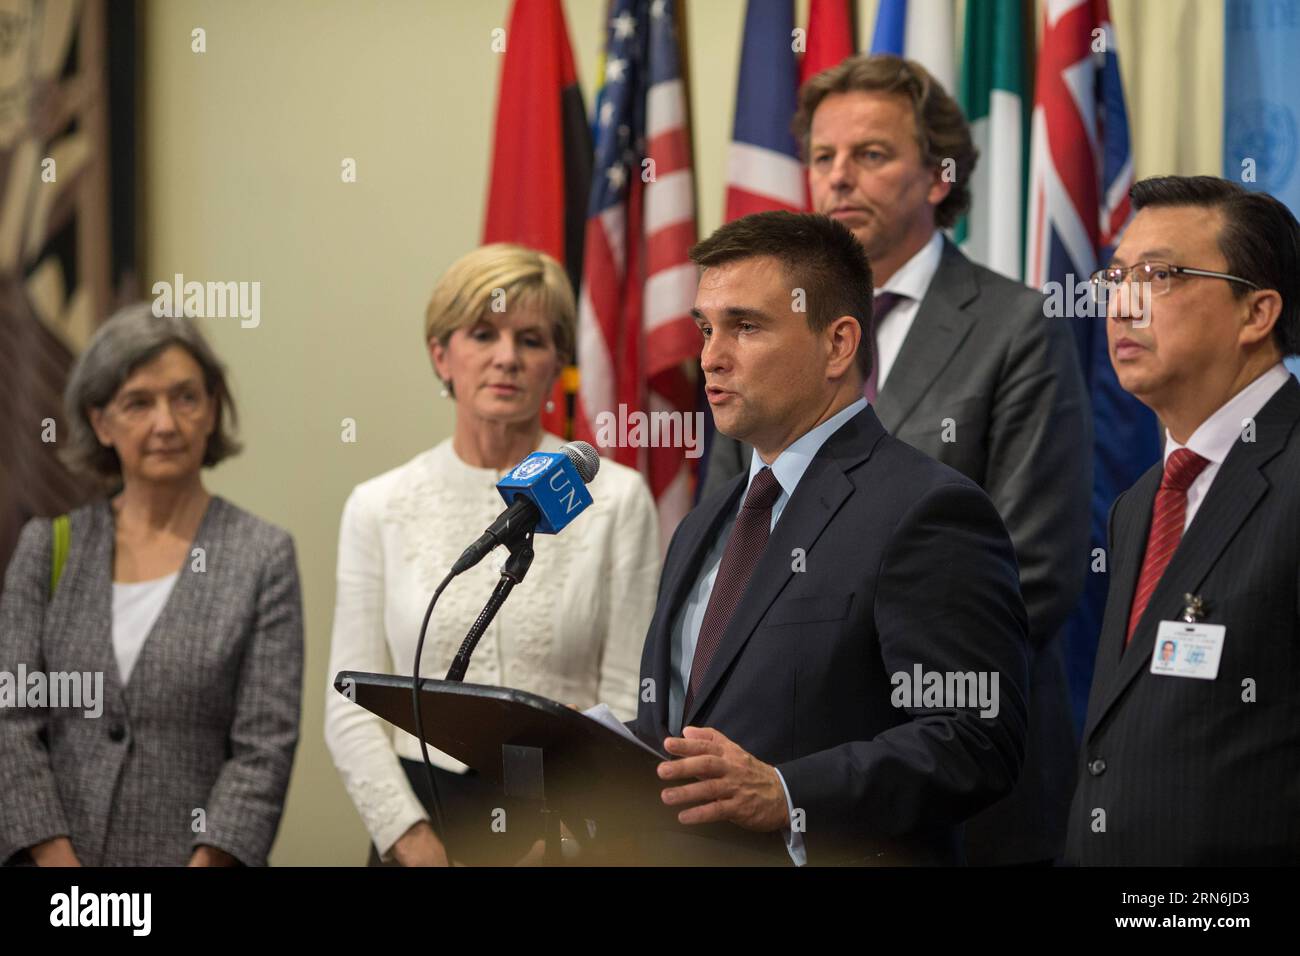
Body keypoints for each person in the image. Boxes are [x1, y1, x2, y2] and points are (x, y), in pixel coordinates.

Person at [702, 54, 1089, 865]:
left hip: (947, 788)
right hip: (761, 795)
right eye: (822, 157)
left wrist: (818, 760)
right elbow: (734, 543)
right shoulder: (747, 347)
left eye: (871, 155)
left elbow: (1037, 572)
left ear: (940, 175)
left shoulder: (1018, 327)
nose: (839, 178)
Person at [632, 211, 1029, 865]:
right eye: (706, 328)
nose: (710, 357)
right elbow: (677, 734)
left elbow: (975, 738)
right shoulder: (704, 524)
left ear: (839, 344)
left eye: (745, 326)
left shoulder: (927, 511)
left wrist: (788, 793)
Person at [324, 243, 660, 866]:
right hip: (420, 820)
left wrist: (565, 841)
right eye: (483, 334)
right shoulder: (378, 504)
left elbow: (630, 700)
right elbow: (347, 709)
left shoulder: (616, 498)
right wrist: (415, 844)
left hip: (572, 824)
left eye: (531, 340)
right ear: (440, 355)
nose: (507, 357)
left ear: (559, 361)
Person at [0, 304, 303, 866]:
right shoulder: (47, 549)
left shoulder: (263, 556)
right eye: (138, 402)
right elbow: (11, 723)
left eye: (185, 397)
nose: (166, 423)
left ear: (212, 410)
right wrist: (58, 867)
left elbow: (263, 750)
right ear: (101, 422)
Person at [1065, 176, 1300, 865]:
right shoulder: (1141, 502)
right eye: (1116, 276)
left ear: (1256, 314)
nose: (1123, 303)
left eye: (1159, 275)